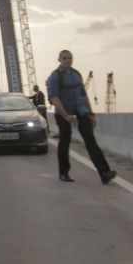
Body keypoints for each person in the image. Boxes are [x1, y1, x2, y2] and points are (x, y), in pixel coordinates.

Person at [46, 50, 117, 184]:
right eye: (64, 58)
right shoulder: (55, 77)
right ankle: (64, 173)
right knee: (65, 140)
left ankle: (104, 173)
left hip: (81, 111)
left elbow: (84, 95)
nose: (67, 60)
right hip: (63, 112)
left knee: (90, 140)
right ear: (59, 60)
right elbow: (54, 98)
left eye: (69, 58)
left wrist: (90, 114)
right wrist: (66, 115)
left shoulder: (76, 74)